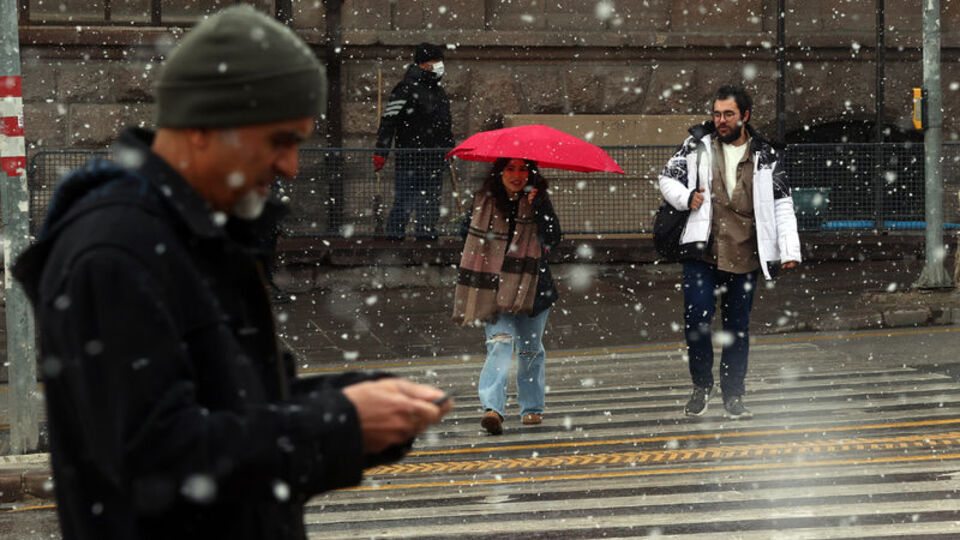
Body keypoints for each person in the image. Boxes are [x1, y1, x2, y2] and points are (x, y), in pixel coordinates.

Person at [12, 7, 451, 539]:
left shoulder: (193, 234)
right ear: (203, 128)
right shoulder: (117, 252)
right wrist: (339, 423)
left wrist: (362, 405)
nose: (291, 165)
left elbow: (241, 405)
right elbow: (160, 463)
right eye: (279, 140)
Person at [658, 85, 801, 420]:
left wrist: (789, 249)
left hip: (745, 255)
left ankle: (734, 394)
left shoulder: (766, 156)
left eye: (728, 114)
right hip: (702, 253)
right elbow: (666, 178)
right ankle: (701, 385)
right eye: (717, 113)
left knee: (737, 329)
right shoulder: (697, 146)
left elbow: (782, 205)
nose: (720, 120)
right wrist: (686, 197)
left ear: (745, 116)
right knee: (697, 320)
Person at [452, 158, 562, 435]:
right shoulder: (485, 201)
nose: (516, 175)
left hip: (533, 288)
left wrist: (539, 208)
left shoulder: (539, 200)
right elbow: (465, 235)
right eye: (510, 168)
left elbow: (552, 238)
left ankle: (532, 408)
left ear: (531, 173)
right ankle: (493, 409)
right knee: (500, 345)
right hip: (494, 287)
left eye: (523, 169)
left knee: (529, 350)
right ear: (499, 173)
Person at [373, 42, 455, 241]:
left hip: (434, 158)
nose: (439, 66)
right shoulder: (405, 89)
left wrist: (449, 148)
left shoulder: (439, 92)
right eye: (434, 62)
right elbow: (389, 121)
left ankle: (425, 238)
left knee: (430, 203)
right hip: (410, 157)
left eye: (440, 62)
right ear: (422, 64)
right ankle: (394, 238)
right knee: (404, 201)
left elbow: (445, 125)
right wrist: (381, 151)